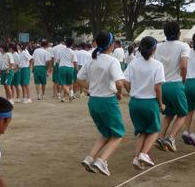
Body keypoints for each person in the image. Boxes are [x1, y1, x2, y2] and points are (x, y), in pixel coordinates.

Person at [77, 31, 127, 176]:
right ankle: (101, 161)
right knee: (118, 134)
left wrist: (90, 88)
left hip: (93, 101)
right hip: (107, 101)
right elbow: (119, 82)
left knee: (106, 133)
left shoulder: (92, 60)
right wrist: (118, 93)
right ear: (111, 45)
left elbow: (79, 79)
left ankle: (89, 158)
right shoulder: (112, 61)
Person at [123, 36, 165, 170]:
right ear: (154, 49)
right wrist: (161, 104)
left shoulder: (134, 63)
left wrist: (132, 91)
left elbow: (125, 81)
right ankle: (144, 154)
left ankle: (136, 158)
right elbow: (158, 88)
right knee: (154, 130)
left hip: (135, 102)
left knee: (142, 132)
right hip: (150, 102)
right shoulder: (157, 64)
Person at [154, 21, 190, 152]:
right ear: (179, 32)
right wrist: (184, 79)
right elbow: (184, 65)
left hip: (161, 85)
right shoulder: (183, 46)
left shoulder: (158, 46)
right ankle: (171, 138)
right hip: (175, 83)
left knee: (168, 114)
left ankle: (160, 137)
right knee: (183, 114)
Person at [56, 37, 78, 102]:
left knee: (63, 83)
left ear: (65, 43)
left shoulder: (61, 51)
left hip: (62, 67)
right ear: (72, 44)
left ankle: (70, 95)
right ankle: (63, 97)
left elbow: (57, 61)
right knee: (68, 83)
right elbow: (75, 62)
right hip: (70, 68)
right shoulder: (73, 52)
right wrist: (77, 70)